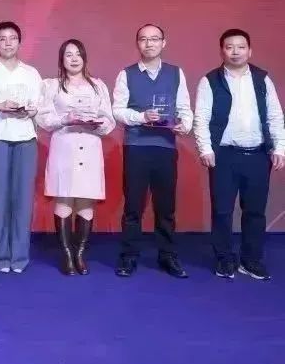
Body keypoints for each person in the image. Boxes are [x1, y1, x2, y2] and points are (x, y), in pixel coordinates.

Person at [193, 28, 285, 281]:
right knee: (222, 211)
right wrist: (206, 149)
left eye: (241, 47)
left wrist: (279, 147)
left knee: (255, 211)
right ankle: (224, 259)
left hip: (258, 155)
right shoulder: (210, 80)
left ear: (249, 51)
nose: (235, 52)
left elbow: (275, 115)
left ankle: (251, 260)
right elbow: (201, 118)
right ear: (222, 51)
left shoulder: (262, 79)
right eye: (230, 47)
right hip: (224, 156)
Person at [111, 24, 193, 278]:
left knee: (166, 207)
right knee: (133, 206)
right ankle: (129, 255)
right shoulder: (126, 74)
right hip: (136, 146)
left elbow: (185, 108)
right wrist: (141, 117)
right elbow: (117, 110)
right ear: (137, 44)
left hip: (165, 147)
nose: (149, 44)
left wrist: (184, 125)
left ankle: (168, 255)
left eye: (155, 39)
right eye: (144, 39)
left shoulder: (176, 73)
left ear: (163, 43)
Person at [36, 39, 115, 276]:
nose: (74, 58)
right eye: (68, 54)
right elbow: (42, 118)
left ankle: (80, 254)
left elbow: (109, 120)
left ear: (84, 58)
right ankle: (67, 255)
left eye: (78, 54)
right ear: (61, 59)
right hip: (64, 147)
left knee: (86, 201)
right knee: (64, 199)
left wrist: (98, 123)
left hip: (90, 147)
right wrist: (64, 119)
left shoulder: (98, 86)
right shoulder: (52, 86)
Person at [0, 21, 42, 274]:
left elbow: (39, 105)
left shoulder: (31, 73)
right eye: (2, 39)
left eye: (12, 38)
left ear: (19, 42)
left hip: (25, 137)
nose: (8, 43)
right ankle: (0, 256)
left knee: (23, 199)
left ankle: (20, 257)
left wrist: (30, 110)